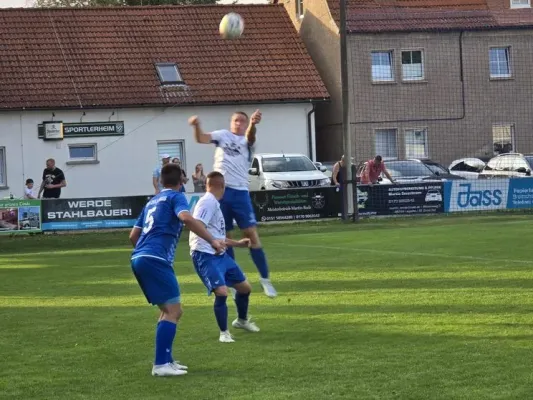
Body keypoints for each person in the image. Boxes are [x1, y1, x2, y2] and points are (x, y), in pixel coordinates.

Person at [129, 163, 226, 377]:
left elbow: (133, 236)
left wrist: (147, 252)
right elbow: (186, 218)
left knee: (168, 310)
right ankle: (161, 365)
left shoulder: (151, 201)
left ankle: (166, 360)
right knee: (174, 311)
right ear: (181, 182)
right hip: (155, 259)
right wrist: (213, 241)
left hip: (139, 257)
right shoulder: (176, 197)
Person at [189, 110, 277, 298]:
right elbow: (201, 138)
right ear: (231, 122)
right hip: (221, 192)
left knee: (251, 233)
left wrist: (253, 124)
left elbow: (251, 137)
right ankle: (232, 280)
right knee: (223, 236)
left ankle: (265, 279)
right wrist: (196, 126)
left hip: (240, 191)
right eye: (236, 120)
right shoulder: (222, 136)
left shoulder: (247, 141)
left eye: (243, 121)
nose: (239, 124)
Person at [189, 171, 260, 343]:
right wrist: (213, 241)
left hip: (220, 254)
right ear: (221, 186)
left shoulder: (214, 203)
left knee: (245, 288)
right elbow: (197, 225)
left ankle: (241, 321)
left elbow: (217, 236)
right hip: (205, 255)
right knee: (222, 292)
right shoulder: (207, 202)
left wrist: (237, 243)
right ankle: (224, 333)